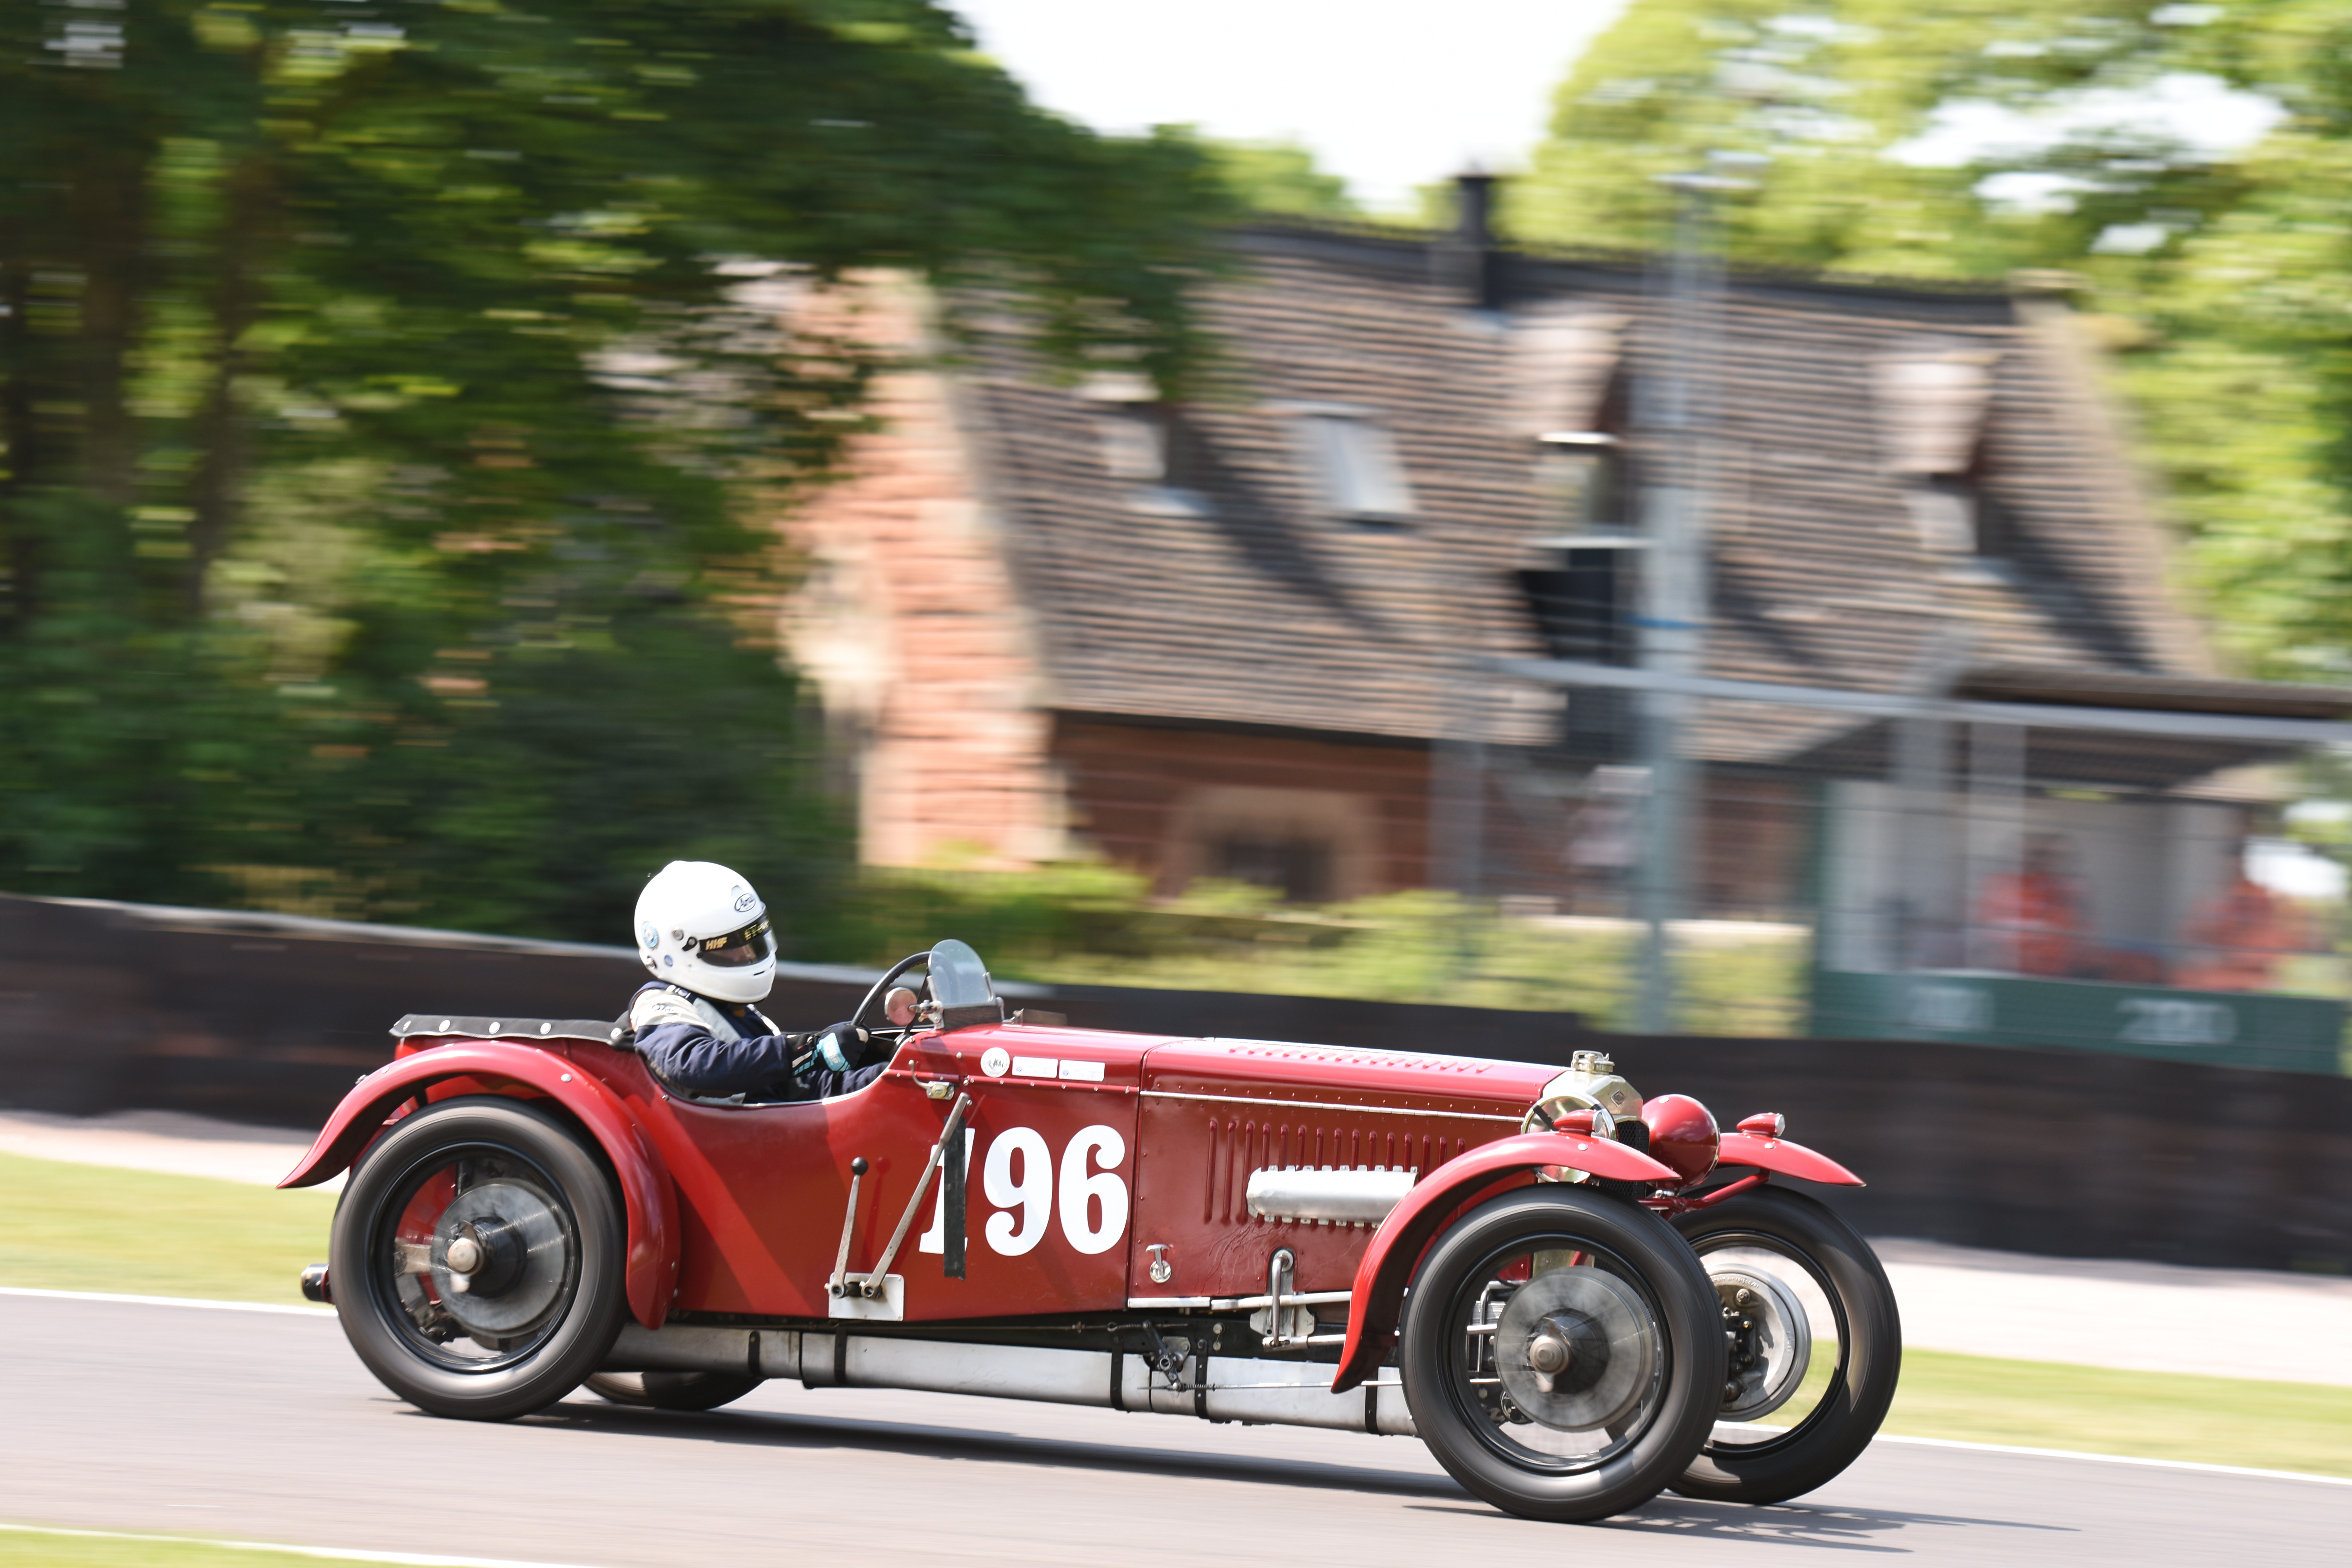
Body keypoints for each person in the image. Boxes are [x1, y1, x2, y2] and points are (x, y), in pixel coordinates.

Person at [627, 860, 884, 1102]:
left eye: (753, 940)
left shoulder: (736, 1012)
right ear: (677, 951)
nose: (748, 955)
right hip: (729, 1142)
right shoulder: (659, 1003)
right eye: (729, 947)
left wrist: (888, 1074)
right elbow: (694, 1065)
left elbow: (804, 1090)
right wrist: (806, 1050)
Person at [2173, 848, 2308, 993]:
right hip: (2220, 970)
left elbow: (2278, 950)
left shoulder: (2260, 900)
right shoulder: (2214, 902)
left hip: (2250, 974)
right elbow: (2189, 937)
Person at [1971, 834, 2085, 978]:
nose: (2037, 860)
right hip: (2006, 972)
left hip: (2054, 975)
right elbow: (1985, 930)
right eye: (2032, 854)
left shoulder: (2066, 889)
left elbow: (2073, 935)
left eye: (2045, 855)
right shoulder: (1999, 885)